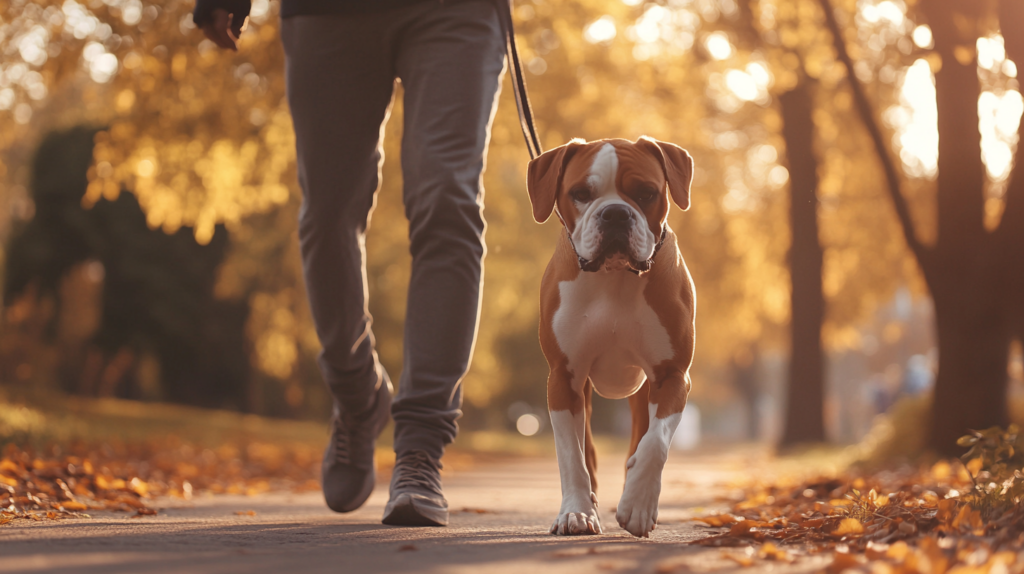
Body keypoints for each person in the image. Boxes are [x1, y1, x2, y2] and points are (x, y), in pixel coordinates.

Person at [193, 0, 507, 527]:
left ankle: (421, 448)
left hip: (458, 12)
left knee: (448, 201)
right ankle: (356, 390)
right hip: (327, 11)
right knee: (328, 212)